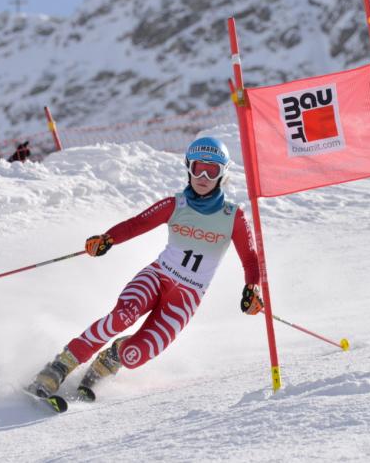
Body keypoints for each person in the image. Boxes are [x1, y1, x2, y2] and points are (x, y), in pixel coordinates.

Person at [25, 136, 263, 401]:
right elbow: (137, 224)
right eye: (198, 168)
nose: (204, 176)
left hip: (187, 297)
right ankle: (58, 367)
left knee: (135, 354)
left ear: (223, 174)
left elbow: (251, 258)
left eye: (213, 169)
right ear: (188, 168)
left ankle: (108, 360)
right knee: (122, 316)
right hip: (157, 277)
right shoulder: (176, 205)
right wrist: (107, 239)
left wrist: (252, 288)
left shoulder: (233, 216)